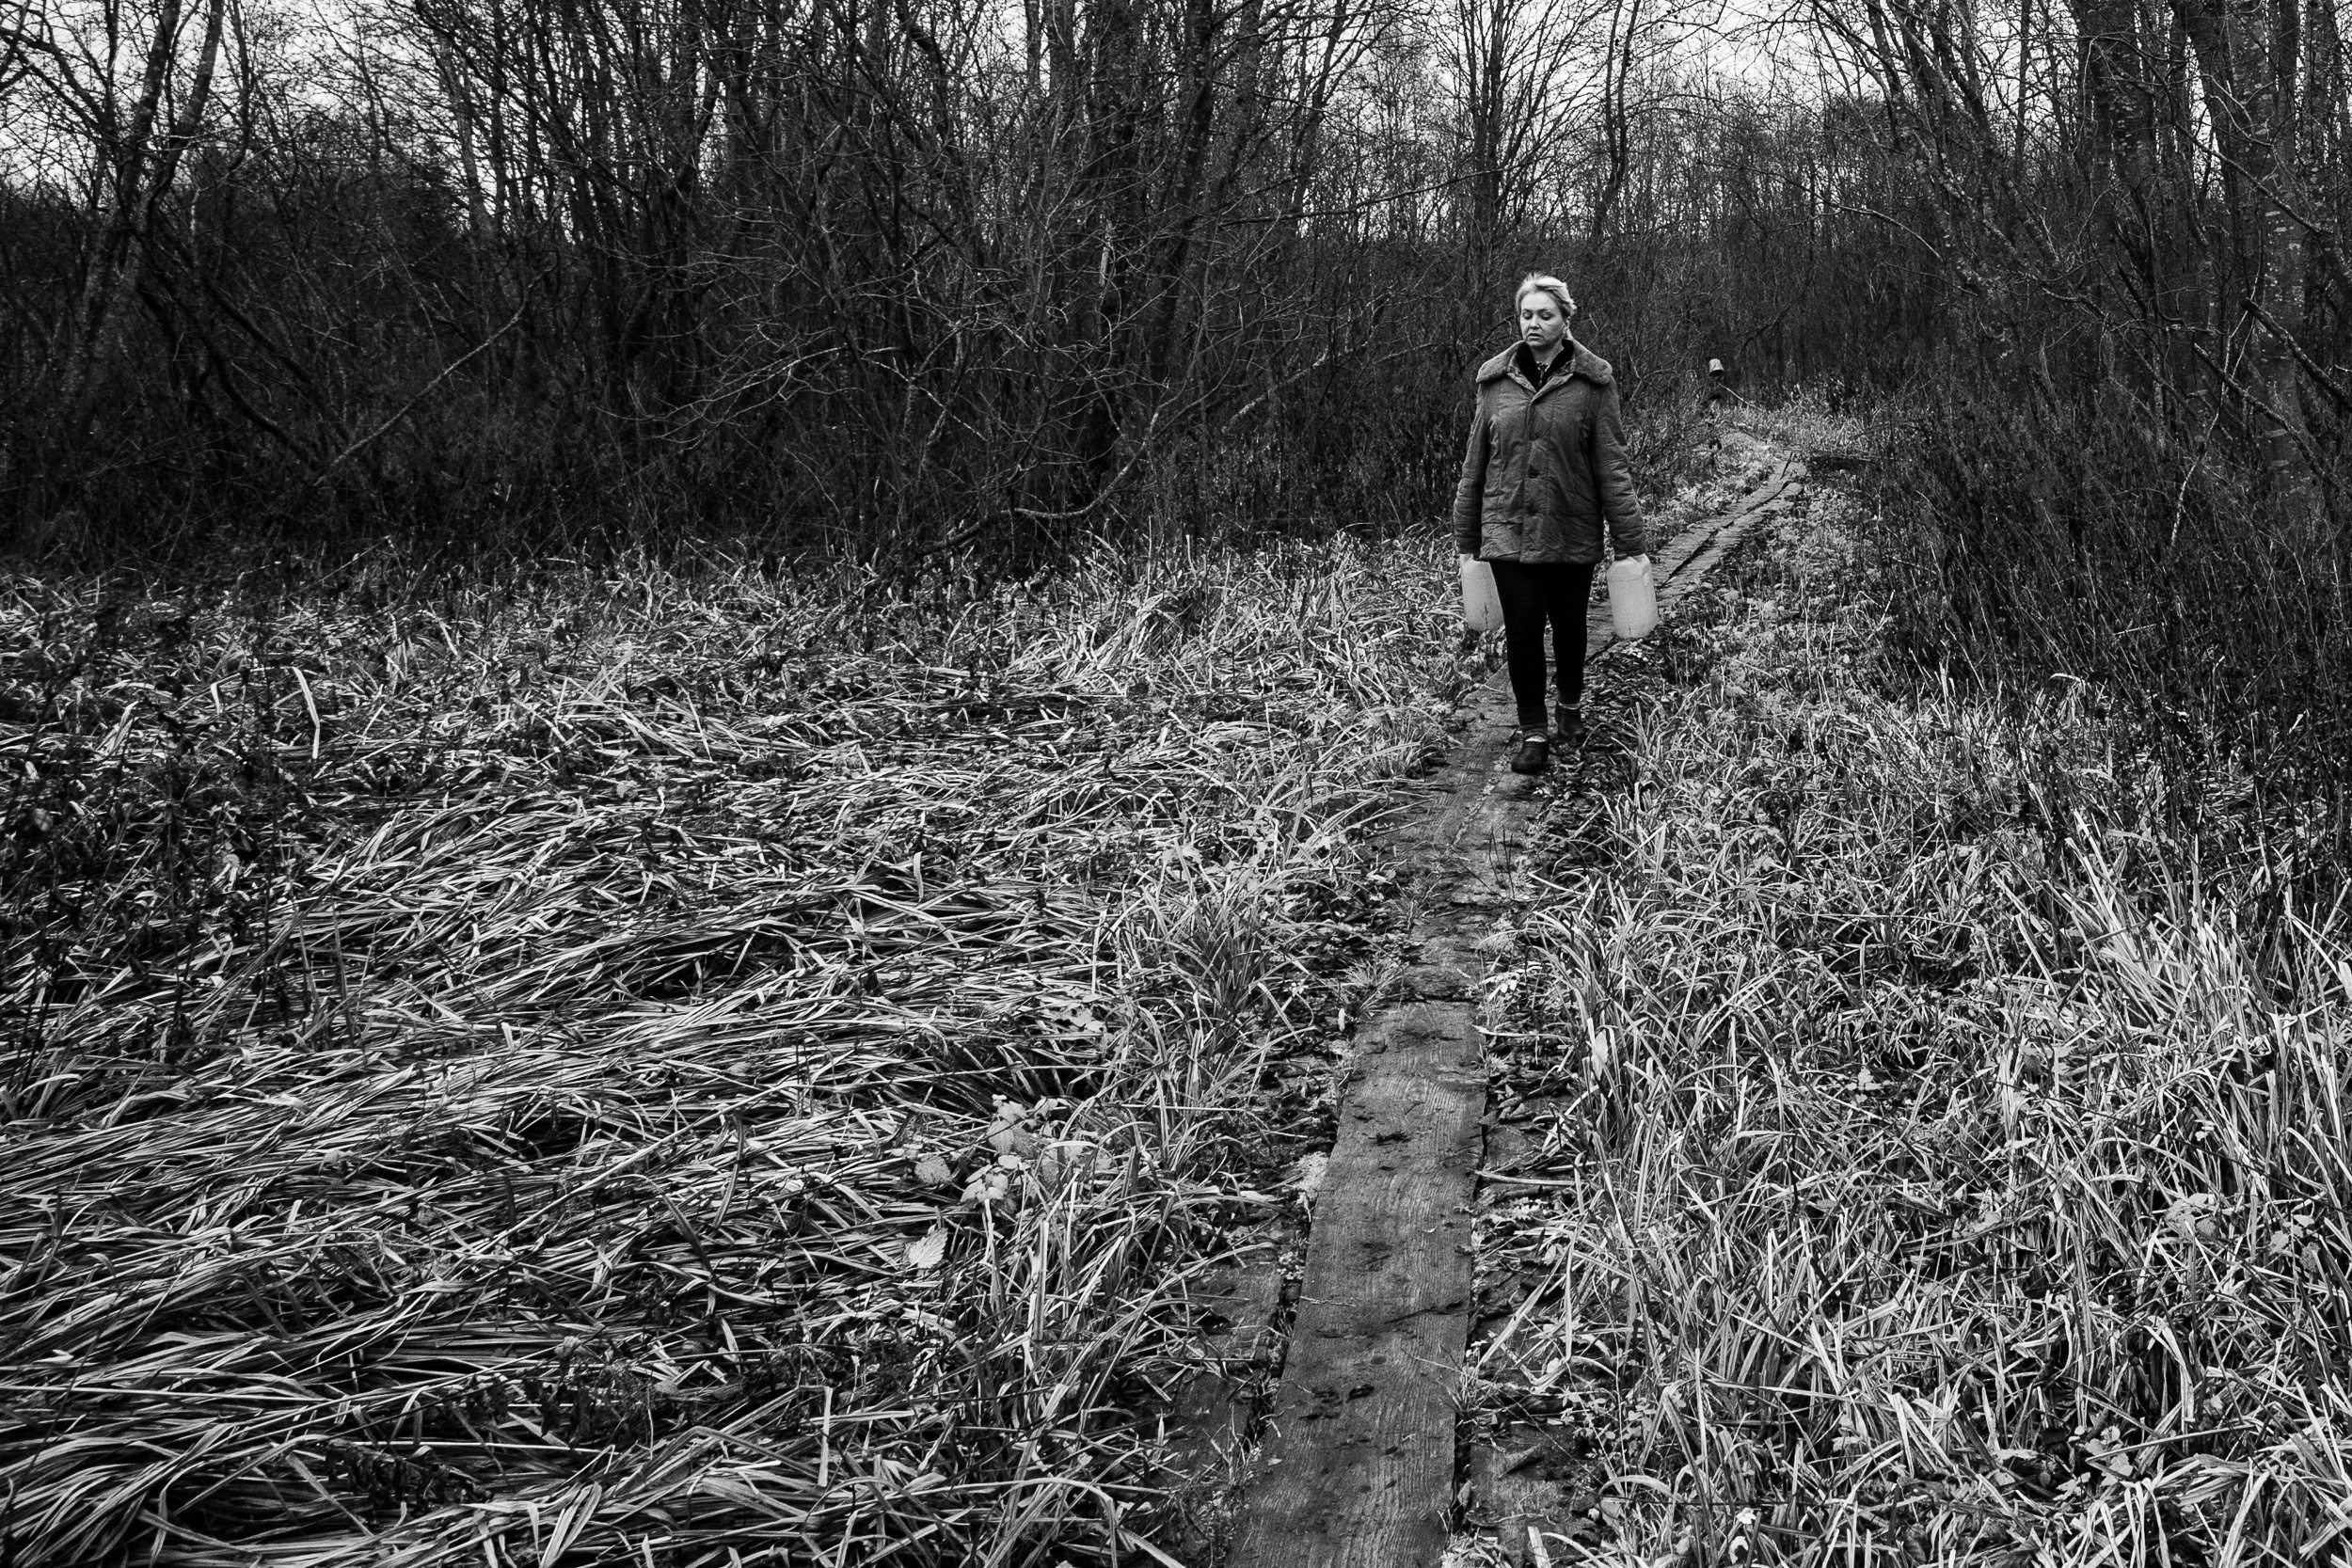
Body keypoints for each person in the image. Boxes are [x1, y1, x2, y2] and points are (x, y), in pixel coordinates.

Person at [1451, 274, 1649, 774]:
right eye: (1526, 315)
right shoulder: (1493, 384)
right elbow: (1475, 463)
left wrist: (1630, 542)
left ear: (1565, 320)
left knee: (1569, 629)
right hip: (1507, 529)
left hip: (1571, 525)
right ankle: (1533, 731)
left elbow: (1612, 465)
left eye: (1545, 315)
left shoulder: (1593, 385)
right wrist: (1466, 537)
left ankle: (1569, 708)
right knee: (1521, 632)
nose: (1534, 323)